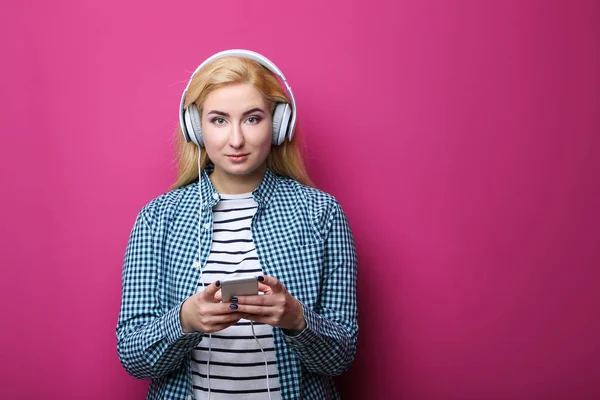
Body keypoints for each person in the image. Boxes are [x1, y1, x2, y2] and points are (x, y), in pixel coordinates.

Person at [116, 49, 358, 400]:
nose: (235, 140)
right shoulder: (157, 218)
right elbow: (134, 358)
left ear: (278, 125)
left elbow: (341, 357)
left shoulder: (321, 213)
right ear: (196, 129)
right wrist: (183, 320)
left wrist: (297, 321)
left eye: (252, 118)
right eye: (218, 120)